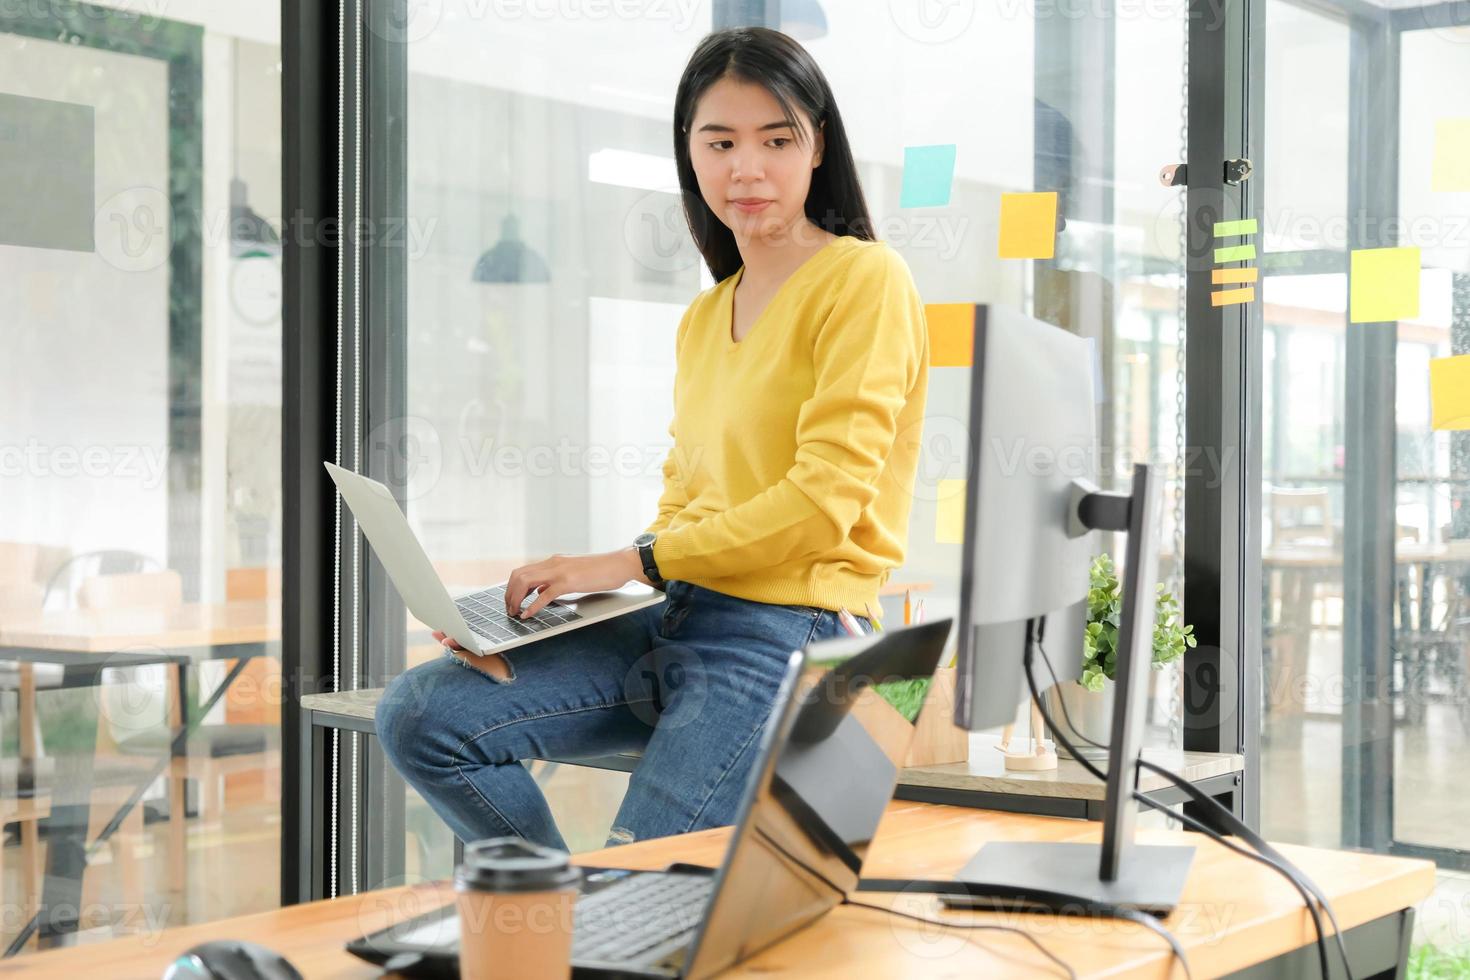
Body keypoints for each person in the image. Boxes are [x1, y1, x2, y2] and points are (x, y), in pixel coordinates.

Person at [377, 26, 930, 853]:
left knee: (639, 873)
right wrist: (553, 613)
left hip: (794, 627)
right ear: (690, 153)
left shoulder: (864, 280)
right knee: (424, 715)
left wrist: (626, 565)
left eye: (777, 140)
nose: (747, 167)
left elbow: (820, 508)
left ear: (817, 147)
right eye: (721, 142)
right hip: (682, 612)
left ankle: (587, 929)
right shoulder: (709, 314)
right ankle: (551, 916)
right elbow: (685, 506)